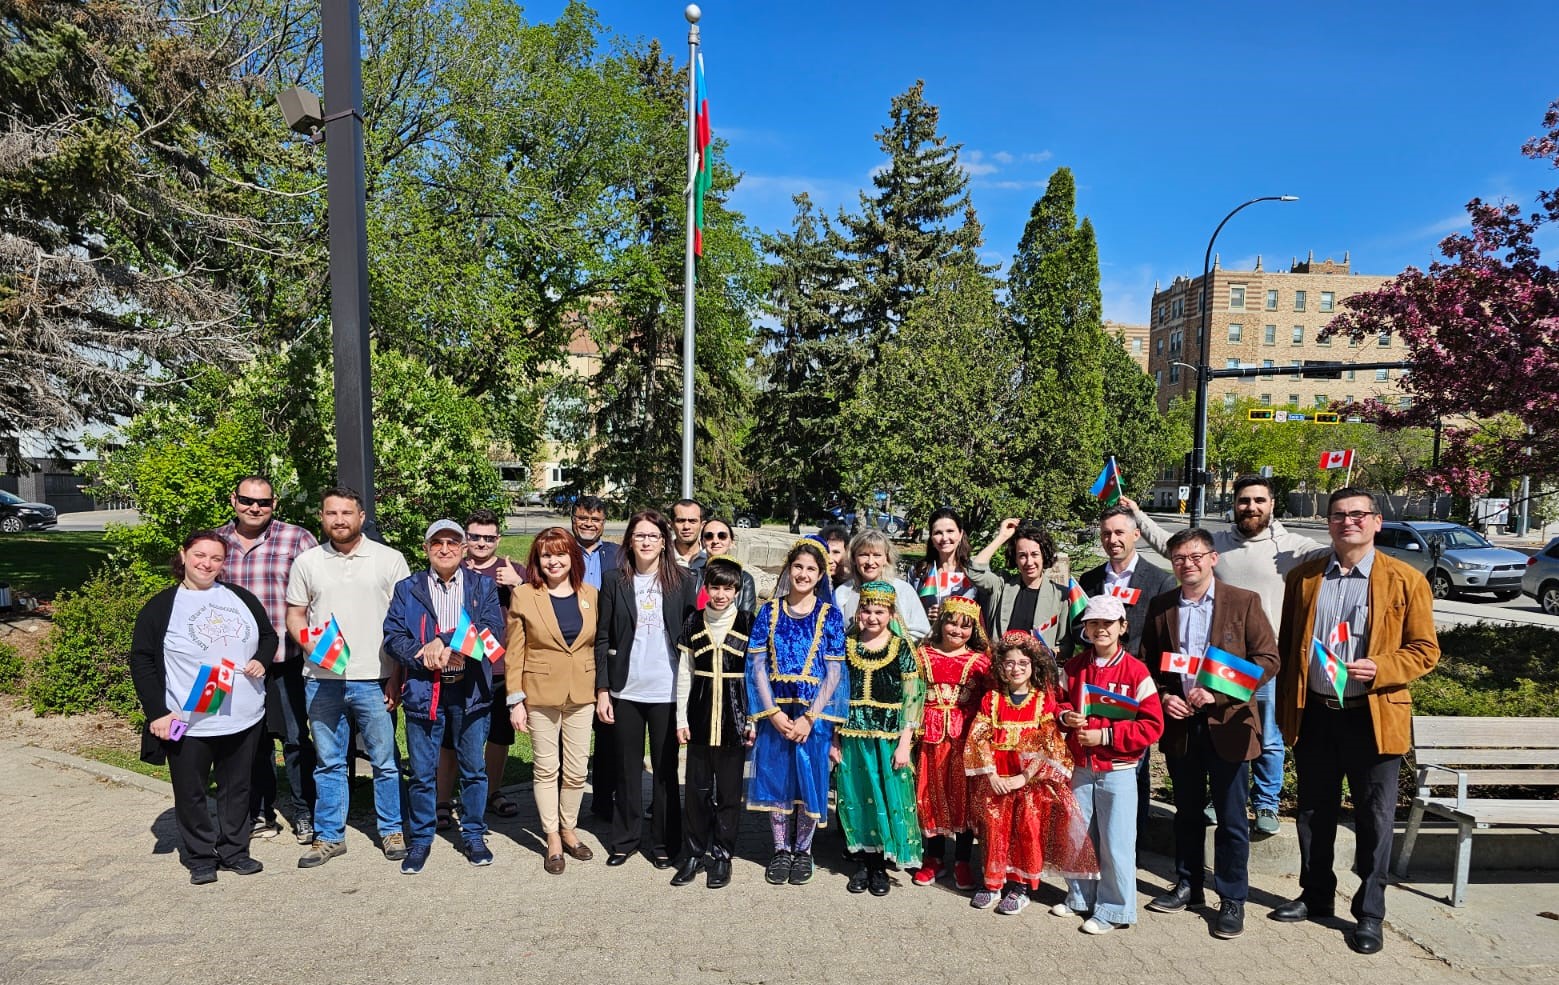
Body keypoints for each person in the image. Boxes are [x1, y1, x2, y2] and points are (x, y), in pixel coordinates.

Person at [1270, 488, 1440, 956]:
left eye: (1358, 515)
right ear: (1328, 523)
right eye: (1340, 515)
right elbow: (1289, 648)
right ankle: (1316, 895)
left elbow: (1426, 650)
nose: (1349, 522)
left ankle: (1369, 912)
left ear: (1376, 522)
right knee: (1313, 813)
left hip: (1372, 716)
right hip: (1318, 715)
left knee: (1375, 817)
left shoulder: (1405, 580)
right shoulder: (1304, 578)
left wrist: (1381, 667)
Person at [1124, 479, 1327, 836]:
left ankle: (1266, 801)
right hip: (1205, 661)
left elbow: (1335, 553)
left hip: (1258, 660)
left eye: (1259, 500)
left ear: (1272, 503)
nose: (1251, 506)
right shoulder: (1213, 543)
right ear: (1235, 504)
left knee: (1267, 737)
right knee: (1212, 738)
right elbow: (1170, 546)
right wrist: (1138, 514)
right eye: (1244, 500)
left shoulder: (1294, 546)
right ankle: (1214, 800)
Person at [1141, 527, 1280, 940]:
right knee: (1186, 813)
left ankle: (1232, 897)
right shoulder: (1163, 605)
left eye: (1196, 556)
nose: (1188, 564)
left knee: (1232, 819)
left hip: (1229, 725)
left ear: (1213, 558)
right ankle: (1188, 884)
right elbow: (1150, 665)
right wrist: (1165, 698)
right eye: (1180, 558)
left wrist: (1220, 690)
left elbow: (1268, 659)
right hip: (1182, 725)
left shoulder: (1243, 601)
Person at [129, 530, 276, 884]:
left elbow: (269, 636)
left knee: (237, 788)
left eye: (215, 558)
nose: (206, 564)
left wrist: (261, 659)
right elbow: (142, 659)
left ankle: (235, 851)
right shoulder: (163, 606)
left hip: (243, 715)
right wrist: (158, 713)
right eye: (199, 555)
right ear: (183, 555)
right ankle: (199, 857)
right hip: (188, 719)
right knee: (191, 791)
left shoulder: (240, 597)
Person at [285, 487, 411, 868]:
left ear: (361, 516)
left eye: (346, 513)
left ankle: (391, 830)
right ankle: (329, 836)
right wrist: (309, 645)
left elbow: (403, 623)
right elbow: (295, 615)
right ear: (321, 518)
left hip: (375, 678)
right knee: (329, 762)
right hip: (323, 678)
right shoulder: (307, 562)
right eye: (331, 513)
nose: (339, 520)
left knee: (385, 761)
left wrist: (396, 676)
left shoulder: (389, 560)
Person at [383, 520, 505, 874]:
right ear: (426, 549)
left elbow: (491, 630)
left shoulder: (482, 585)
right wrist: (423, 652)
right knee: (422, 773)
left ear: (464, 549)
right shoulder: (408, 588)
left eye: (454, 542)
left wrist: (446, 640)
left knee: (474, 770)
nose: (446, 549)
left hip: (470, 691)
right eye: (438, 543)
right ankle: (421, 839)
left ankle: (474, 833)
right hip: (425, 690)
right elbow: (392, 635)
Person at [215, 475, 319, 845]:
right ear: (234, 499)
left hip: (286, 658)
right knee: (250, 742)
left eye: (263, 502)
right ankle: (261, 811)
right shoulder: (216, 542)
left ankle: (305, 811)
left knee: (295, 740)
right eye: (247, 500)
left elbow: (318, 591)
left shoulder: (297, 538)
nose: (254, 508)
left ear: (275, 504)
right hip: (236, 666)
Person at [964, 630, 1098, 915]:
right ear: (1000, 666)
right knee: (994, 828)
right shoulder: (991, 699)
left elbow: (1049, 743)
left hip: (1029, 780)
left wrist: (1022, 777)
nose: (1016, 669)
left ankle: (1020, 886)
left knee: (1026, 830)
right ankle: (992, 883)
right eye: (1009, 663)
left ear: (1034, 666)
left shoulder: (1042, 700)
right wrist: (992, 776)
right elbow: (978, 736)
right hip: (997, 778)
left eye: (1023, 663)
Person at [1055, 595, 1165, 935]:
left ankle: (1115, 909)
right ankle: (1079, 897)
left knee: (1116, 842)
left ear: (1122, 627)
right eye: (1093, 623)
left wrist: (1105, 736)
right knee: (1077, 836)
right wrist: (1063, 716)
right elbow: (1054, 705)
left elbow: (1152, 726)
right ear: (1085, 628)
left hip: (1118, 770)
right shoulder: (1074, 667)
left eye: (1107, 623)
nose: (1100, 629)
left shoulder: (1136, 671)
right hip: (1080, 767)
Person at [594, 509, 698, 868]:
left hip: (667, 692)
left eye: (653, 536)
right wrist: (603, 689)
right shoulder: (614, 581)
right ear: (629, 541)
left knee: (666, 770)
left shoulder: (683, 581)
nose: (646, 542)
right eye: (640, 535)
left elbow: (691, 636)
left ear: (664, 542)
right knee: (626, 768)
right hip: (626, 690)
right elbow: (603, 636)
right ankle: (624, 839)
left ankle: (666, 842)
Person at [747, 537, 849, 887]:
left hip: (812, 714)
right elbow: (757, 664)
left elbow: (835, 671)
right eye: (798, 567)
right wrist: (771, 712)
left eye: (811, 569)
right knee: (777, 779)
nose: (803, 574)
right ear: (788, 569)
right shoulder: (768, 611)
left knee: (808, 780)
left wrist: (810, 717)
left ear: (820, 575)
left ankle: (803, 849)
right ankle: (780, 849)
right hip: (776, 711)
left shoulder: (830, 615)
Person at [1072, 504, 1177, 842]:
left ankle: (1131, 847)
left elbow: (1165, 639)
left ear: (1136, 534)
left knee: (1134, 769)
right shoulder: (1090, 580)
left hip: (1135, 685)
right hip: (1095, 682)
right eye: (1106, 534)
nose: (1112, 539)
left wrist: (1156, 686)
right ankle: (1093, 849)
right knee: (1092, 770)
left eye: (1119, 532)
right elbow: (1077, 629)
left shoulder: (1159, 580)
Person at [506, 526, 599, 875]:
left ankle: (569, 829)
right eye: (546, 555)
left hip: (582, 693)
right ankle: (553, 838)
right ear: (538, 560)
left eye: (560, 553)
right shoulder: (524, 595)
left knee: (576, 770)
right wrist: (515, 700)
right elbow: (514, 653)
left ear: (572, 557)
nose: (553, 561)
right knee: (547, 768)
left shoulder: (590, 594)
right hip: (540, 694)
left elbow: (596, 645)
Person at [432, 508, 528, 831]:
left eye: (489, 538)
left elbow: (539, 608)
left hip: (503, 668)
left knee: (499, 737)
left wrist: (518, 584)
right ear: (466, 539)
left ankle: (492, 792)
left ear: (498, 539)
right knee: (452, 738)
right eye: (475, 537)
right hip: (461, 669)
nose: (482, 543)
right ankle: (443, 800)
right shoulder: (453, 569)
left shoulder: (513, 570)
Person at [833, 581, 925, 896]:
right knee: (857, 797)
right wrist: (834, 738)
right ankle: (861, 862)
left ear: (890, 614)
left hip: (887, 736)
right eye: (867, 610)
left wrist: (904, 743)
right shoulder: (847, 644)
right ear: (858, 611)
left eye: (879, 612)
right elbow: (836, 692)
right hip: (852, 735)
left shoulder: (901, 647)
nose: (872, 617)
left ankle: (880, 868)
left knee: (886, 797)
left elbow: (913, 696)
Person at [670, 557, 752, 890]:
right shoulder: (693, 623)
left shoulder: (749, 623)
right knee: (696, 792)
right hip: (701, 718)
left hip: (735, 720)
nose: (720, 594)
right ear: (706, 588)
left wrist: (754, 720)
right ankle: (693, 853)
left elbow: (758, 674)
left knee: (730, 794)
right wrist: (680, 718)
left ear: (737, 590)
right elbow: (684, 674)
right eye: (715, 587)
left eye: (727, 588)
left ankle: (722, 855)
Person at [911, 594, 991, 891]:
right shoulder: (922, 656)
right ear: (940, 623)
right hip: (931, 740)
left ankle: (961, 859)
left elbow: (990, 701)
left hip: (965, 740)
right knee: (931, 793)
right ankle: (933, 857)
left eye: (965, 626)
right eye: (952, 623)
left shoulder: (981, 662)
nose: (957, 631)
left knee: (963, 798)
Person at [571, 495, 620, 822]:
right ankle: (565, 806)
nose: (589, 524)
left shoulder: (616, 555)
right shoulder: (560, 548)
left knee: (607, 730)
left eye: (596, 520)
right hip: (569, 648)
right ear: (573, 519)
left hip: (606, 648)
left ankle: (603, 801)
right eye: (583, 518)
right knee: (570, 728)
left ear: (604, 523)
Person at [969, 518, 1076, 653]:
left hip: (1038, 671)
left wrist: (1044, 652)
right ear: (1015, 558)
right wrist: (1002, 537)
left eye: (1035, 554)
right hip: (1001, 669)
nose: (1029, 562)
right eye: (1022, 556)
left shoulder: (1060, 595)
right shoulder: (1002, 585)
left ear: (1044, 555)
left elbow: (1066, 646)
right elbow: (974, 572)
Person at [834, 529, 931, 643]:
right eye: (864, 555)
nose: (870, 562)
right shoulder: (843, 592)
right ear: (854, 558)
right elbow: (836, 635)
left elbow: (921, 632)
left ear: (886, 558)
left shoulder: (903, 590)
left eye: (877, 555)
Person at [909, 507, 985, 620]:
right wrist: (925, 615)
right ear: (931, 537)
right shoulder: (918, 571)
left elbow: (983, 613)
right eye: (938, 533)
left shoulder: (973, 571)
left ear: (960, 534)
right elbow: (908, 611)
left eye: (950, 531)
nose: (944, 538)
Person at [697, 517, 758, 614]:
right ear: (702, 542)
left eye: (722, 536)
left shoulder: (745, 579)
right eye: (709, 536)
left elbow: (745, 620)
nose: (715, 541)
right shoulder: (693, 576)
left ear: (731, 542)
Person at [670, 498, 707, 569]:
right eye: (681, 521)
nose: (686, 526)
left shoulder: (710, 558)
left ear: (702, 525)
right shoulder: (661, 558)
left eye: (692, 521)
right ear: (671, 525)